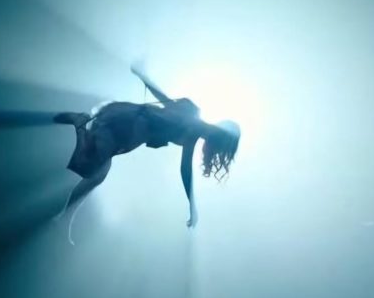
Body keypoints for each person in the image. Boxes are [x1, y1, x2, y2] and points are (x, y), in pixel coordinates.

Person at [52, 64, 241, 242]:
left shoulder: (193, 114)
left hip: (132, 123)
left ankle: (64, 219)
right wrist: (192, 205)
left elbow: (164, 99)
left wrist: (143, 77)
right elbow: (185, 169)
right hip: (132, 125)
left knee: (98, 174)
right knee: (92, 167)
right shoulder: (195, 128)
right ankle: (79, 124)